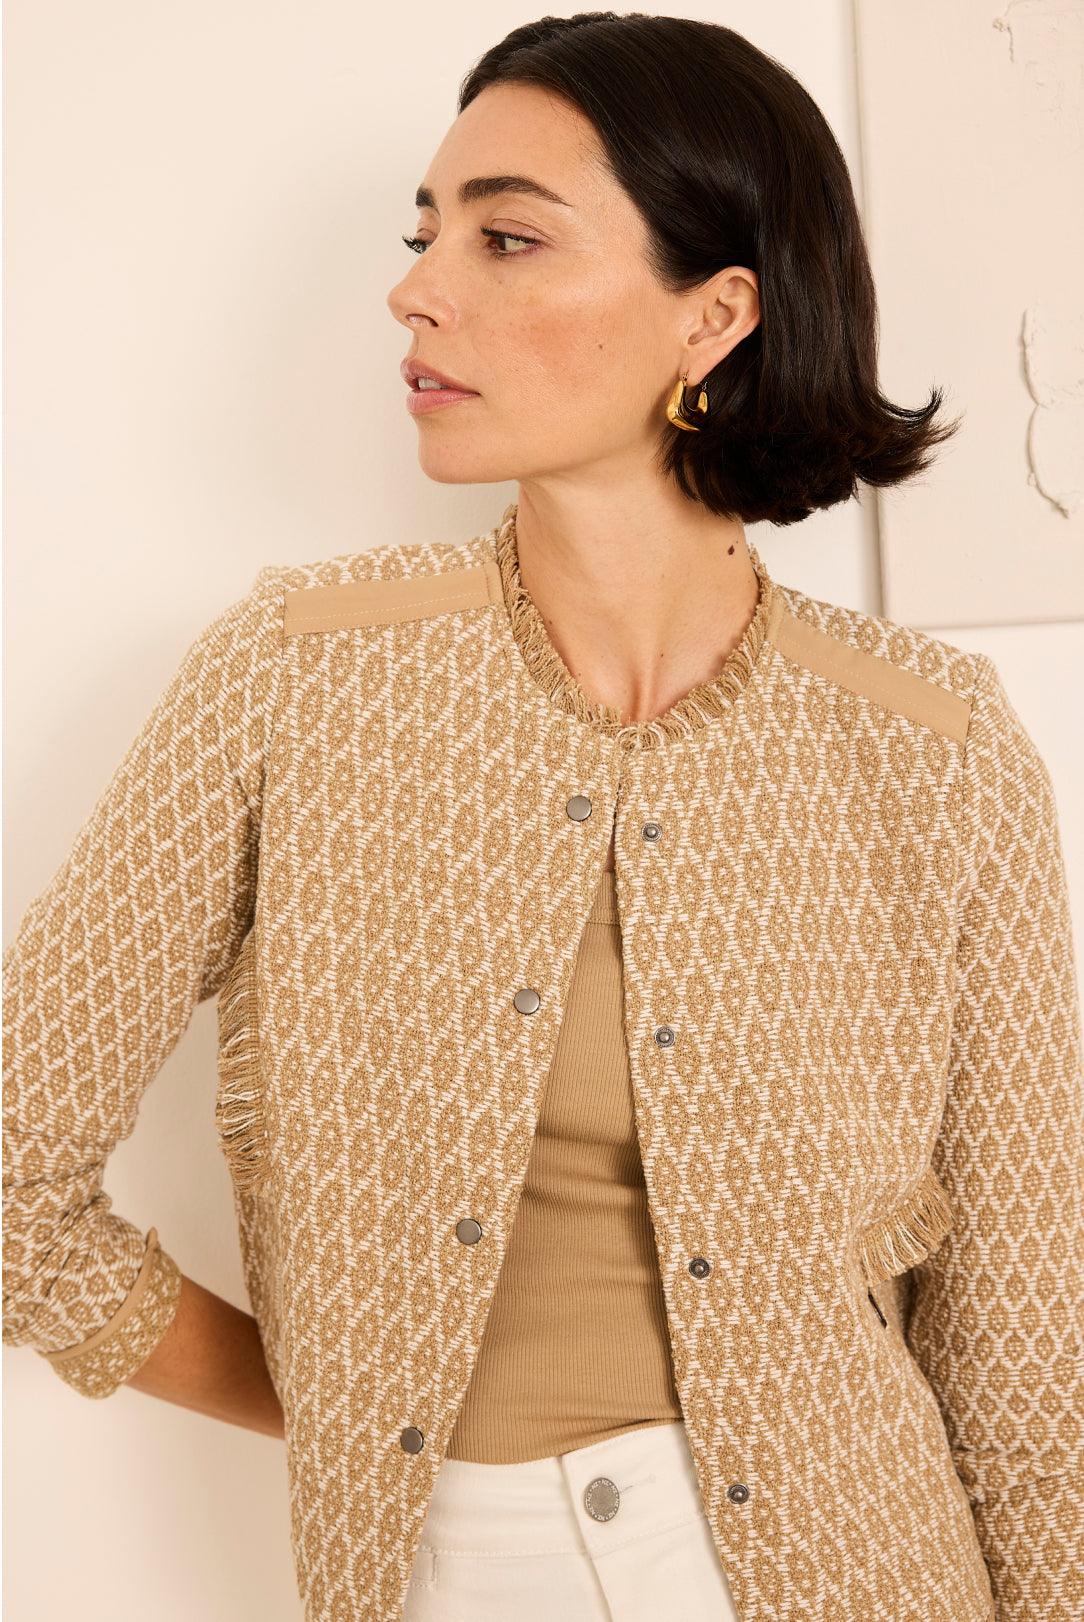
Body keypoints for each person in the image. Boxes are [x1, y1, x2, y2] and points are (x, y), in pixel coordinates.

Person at [4, 11, 1081, 1622]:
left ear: (713, 317)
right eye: (425, 232)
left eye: (507, 236)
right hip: (458, 1569)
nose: (419, 285)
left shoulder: (935, 748)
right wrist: (362, 1411)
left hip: (875, 1561)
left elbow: (1023, 1352)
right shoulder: (294, 678)